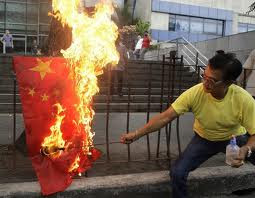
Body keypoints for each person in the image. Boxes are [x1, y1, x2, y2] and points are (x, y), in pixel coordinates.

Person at [120, 52, 255, 198]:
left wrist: (246, 149)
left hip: (234, 139)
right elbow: (165, 117)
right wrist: (136, 134)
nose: (205, 83)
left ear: (229, 82)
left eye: (212, 80)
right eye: (205, 76)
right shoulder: (195, 93)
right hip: (204, 139)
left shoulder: (243, 99)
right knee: (177, 173)